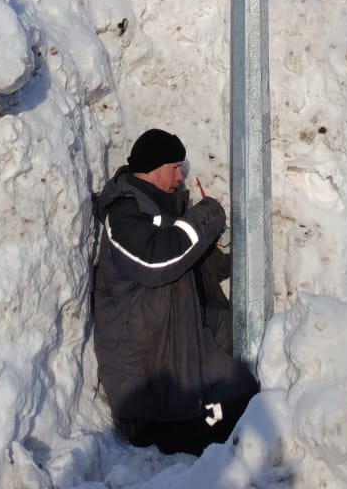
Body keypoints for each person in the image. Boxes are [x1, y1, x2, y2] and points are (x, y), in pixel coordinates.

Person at [92, 128, 257, 455]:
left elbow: (202, 272)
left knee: (258, 407)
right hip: (153, 395)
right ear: (153, 169)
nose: (181, 177)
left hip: (189, 373)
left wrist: (225, 249)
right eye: (175, 167)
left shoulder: (166, 214)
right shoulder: (125, 212)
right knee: (242, 437)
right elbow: (158, 261)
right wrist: (206, 215)